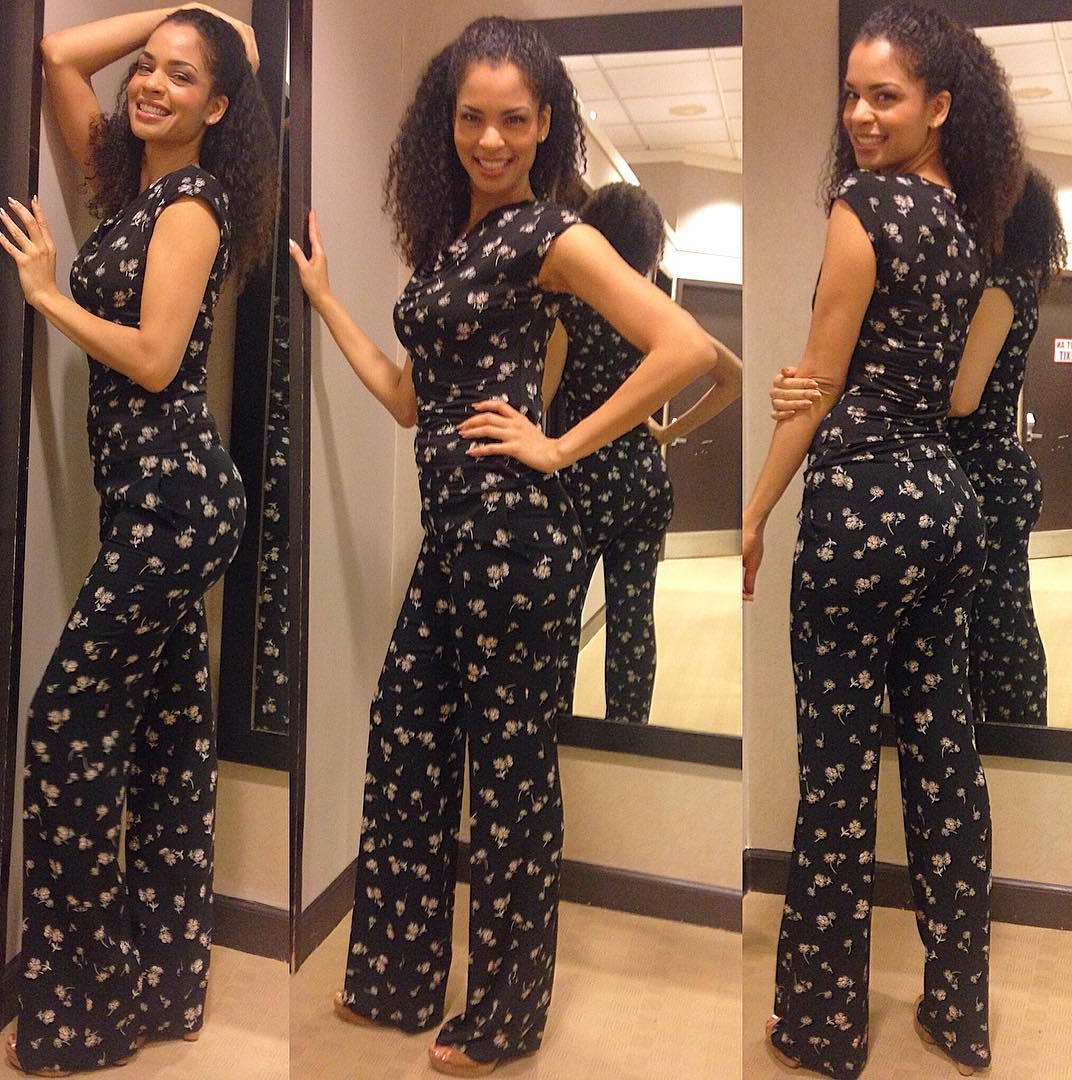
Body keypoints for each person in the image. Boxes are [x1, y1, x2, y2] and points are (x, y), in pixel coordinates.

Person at [290, 16, 732, 1076]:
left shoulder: (551, 235)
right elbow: (409, 400)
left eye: (514, 121)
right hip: (451, 544)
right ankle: (397, 978)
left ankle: (505, 1014)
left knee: (510, 781)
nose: (490, 140)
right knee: (405, 744)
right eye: (472, 118)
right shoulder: (450, 241)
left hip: (515, 545)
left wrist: (560, 443)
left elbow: (686, 346)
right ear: (444, 123)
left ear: (545, 127)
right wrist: (328, 302)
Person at [741, 3, 1022, 1075]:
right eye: (852, 95)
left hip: (861, 509)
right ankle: (960, 1008)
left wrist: (755, 509)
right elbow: (944, 392)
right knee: (946, 762)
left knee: (838, 777)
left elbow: (816, 387)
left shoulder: (863, 205)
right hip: (945, 509)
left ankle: (821, 1026)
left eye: (886, 96)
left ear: (939, 106)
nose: (860, 115)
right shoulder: (964, 225)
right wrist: (832, 384)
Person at [0, 5, 276, 1073]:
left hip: (176, 501)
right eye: (148, 69)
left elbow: (157, 359)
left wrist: (43, 294)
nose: (151, 83)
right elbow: (56, 54)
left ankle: (85, 1013)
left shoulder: (193, 203)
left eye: (182, 76)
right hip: (149, 502)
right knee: (164, 744)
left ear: (219, 107)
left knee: (64, 724)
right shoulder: (130, 188)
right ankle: (162, 986)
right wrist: (176, 18)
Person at [771, 167, 1066, 729]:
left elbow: (961, 396)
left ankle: (1017, 731)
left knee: (999, 620)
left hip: (985, 466)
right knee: (994, 614)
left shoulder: (1000, 286)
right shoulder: (1004, 281)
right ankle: (1005, 728)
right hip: (987, 467)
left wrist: (879, 373)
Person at [544, 181, 742, 724]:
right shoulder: (657, 315)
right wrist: (667, 431)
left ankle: (558, 730)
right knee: (634, 617)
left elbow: (542, 401)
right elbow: (733, 378)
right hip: (643, 483)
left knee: (561, 618)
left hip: (582, 484)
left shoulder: (570, 311)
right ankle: (629, 735)